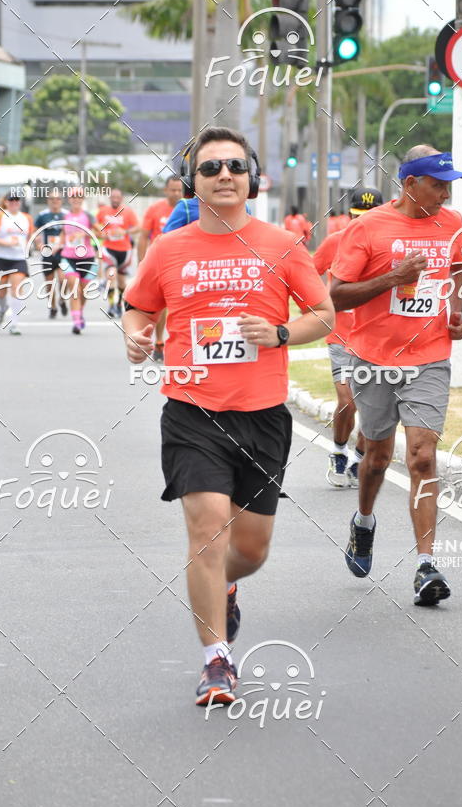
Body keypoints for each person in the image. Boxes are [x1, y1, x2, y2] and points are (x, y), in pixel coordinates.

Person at [122, 126, 333, 706]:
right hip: (192, 411)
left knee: (251, 548)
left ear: (252, 178)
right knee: (206, 530)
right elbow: (138, 308)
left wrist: (283, 331)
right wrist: (136, 339)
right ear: (193, 181)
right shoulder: (168, 250)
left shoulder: (282, 245)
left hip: (263, 415)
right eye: (211, 168)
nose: (223, 176)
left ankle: (229, 586)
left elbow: (324, 312)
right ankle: (217, 661)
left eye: (234, 167)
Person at [330, 145, 462, 606]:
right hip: (373, 358)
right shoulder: (367, 228)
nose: (446, 193)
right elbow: (338, 295)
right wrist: (393, 279)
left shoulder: (451, 223)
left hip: (430, 355)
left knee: (423, 456)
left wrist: (456, 311)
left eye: (450, 184)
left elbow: (459, 268)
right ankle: (364, 522)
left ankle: (425, 565)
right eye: (437, 184)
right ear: (409, 184)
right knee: (375, 456)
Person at [313, 187, 384, 487]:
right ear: (349, 216)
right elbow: (308, 273)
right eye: (358, 217)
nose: (363, 223)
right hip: (342, 334)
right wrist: (316, 306)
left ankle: (358, 457)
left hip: (378, 337)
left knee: (372, 407)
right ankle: (339, 451)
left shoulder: (392, 244)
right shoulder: (335, 242)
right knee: (347, 401)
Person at [138, 176, 183, 362]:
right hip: (161, 264)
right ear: (165, 190)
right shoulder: (155, 210)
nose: (177, 193)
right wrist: (141, 262)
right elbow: (143, 237)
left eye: (180, 190)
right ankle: (159, 341)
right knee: (162, 305)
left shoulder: (189, 209)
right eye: (173, 190)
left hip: (185, 264)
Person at [0, 188, 34, 335]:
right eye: (11, 200)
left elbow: (31, 237)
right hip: (1, 258)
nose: (14, 203)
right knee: (0, 292)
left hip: (18, 259)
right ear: (6, 202)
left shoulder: (26, 218)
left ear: (19, 203)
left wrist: (36, 245)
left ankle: (15, 324)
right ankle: (2, 309)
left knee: (16, 289)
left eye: (16, 200)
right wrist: (6, 243)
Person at [96, 188, 140, 317]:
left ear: (121, 199)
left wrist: (125, 232)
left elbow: (138, 227)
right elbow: (95, 225)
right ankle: (111, 305)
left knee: (121, 282)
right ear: (110, 198)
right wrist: (102, 233)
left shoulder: (128, 212)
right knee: (111, 275)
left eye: (117, 197)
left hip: (124, 250)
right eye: (113, 197)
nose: (115, 200)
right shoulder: (103, 211)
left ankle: (119, 304)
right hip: (109, 249)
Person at [59, 187, 98, 335]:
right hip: (68, 257)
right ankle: (76, 322)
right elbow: (63, 235)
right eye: (73, 197)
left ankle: (79, 312)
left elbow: (100, 232)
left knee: (84, 293)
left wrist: (85, 232)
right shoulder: (65, 216)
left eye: (79, 197)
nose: (76, 199)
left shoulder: (88, 216)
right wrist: (54, 247)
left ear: (82, 199)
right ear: (69, 199)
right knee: (74, 288)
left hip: (87, 257)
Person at [34, 189, 68, 319]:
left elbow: (69, 232)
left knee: (63, 280)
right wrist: (39, 245)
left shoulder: (66, 215)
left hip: (63, 253)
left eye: (58, 199)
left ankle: (62, 300)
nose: (55, 202)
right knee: (50, 284)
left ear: (61, 201)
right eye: (52, 199)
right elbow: (36, 233)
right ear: (48, 201)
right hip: (48, 254)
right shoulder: (43, 215)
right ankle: (53, 306)